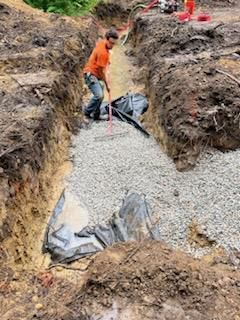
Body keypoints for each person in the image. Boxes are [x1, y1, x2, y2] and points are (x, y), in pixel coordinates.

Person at [83, 28, 119, 120]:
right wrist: (107, 85)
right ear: (107, 39)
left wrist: (107, 62)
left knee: (100, 93)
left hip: (96, 71)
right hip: (91, 73)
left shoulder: (102, 43)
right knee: (99, 95)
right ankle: (87, 112)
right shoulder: (102, 53)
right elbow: (101, 72)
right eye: (111, 43)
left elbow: (103, 64)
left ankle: (96, 115)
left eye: (114, 43)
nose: (112, 45)